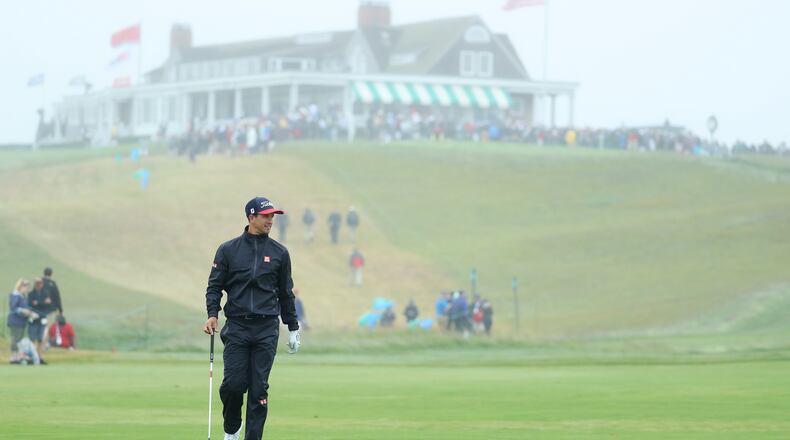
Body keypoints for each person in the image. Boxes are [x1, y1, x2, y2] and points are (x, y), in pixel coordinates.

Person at [203, 196, 301, 440]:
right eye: (266, 216)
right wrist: (212, 314)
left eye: (272, 216)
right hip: (237, 325)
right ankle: (232, 429)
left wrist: (293, 327)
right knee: (234, 385)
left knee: (259, 390)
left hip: (266, 327)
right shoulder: (228, 250)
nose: (270, 220)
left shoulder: (280, 253)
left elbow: (286, 293)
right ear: (251, 217)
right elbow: (214, 286)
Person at [7, 279, 35, 364]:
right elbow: (14, 308)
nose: (26, 289)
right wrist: (23, 311)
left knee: (19, 339)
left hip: (21, 321)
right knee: (15, 338)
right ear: (20, 286)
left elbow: (25, 307)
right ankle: (13, 357)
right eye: (25, 286)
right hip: (15, 321)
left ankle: (17, 356)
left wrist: (30, 313)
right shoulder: (15, 295)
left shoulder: (22, 296)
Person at [26, 278, 48, 356]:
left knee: (40, 338)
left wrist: (38, 302)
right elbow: (30, 304)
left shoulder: (45, 293)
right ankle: (33, 355)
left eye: (40, 283)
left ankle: (39, 355)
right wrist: (42, 303)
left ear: (42, 284)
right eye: (37, 283)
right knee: (32, 338)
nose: (38, 285)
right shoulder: (31, 294)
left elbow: (47, 304)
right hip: (33, 319)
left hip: (42, 319)